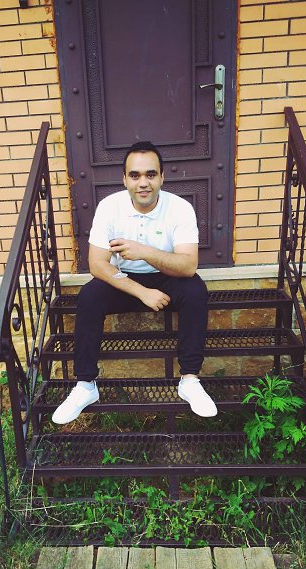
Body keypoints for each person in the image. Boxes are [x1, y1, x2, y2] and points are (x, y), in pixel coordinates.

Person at [52, 141, 217, 424]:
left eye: (151, 174)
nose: (143, 183)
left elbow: (188, 265)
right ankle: (85, 385)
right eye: (135, 175)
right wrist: (142, 292)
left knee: (195, 290)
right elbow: (97, 264)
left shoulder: (180, 208)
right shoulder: (109, 207)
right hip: (123, 278)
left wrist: (144, 252)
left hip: (168, 276)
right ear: (125, 179)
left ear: (162, 177)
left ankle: (189, 379)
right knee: (89, 296)